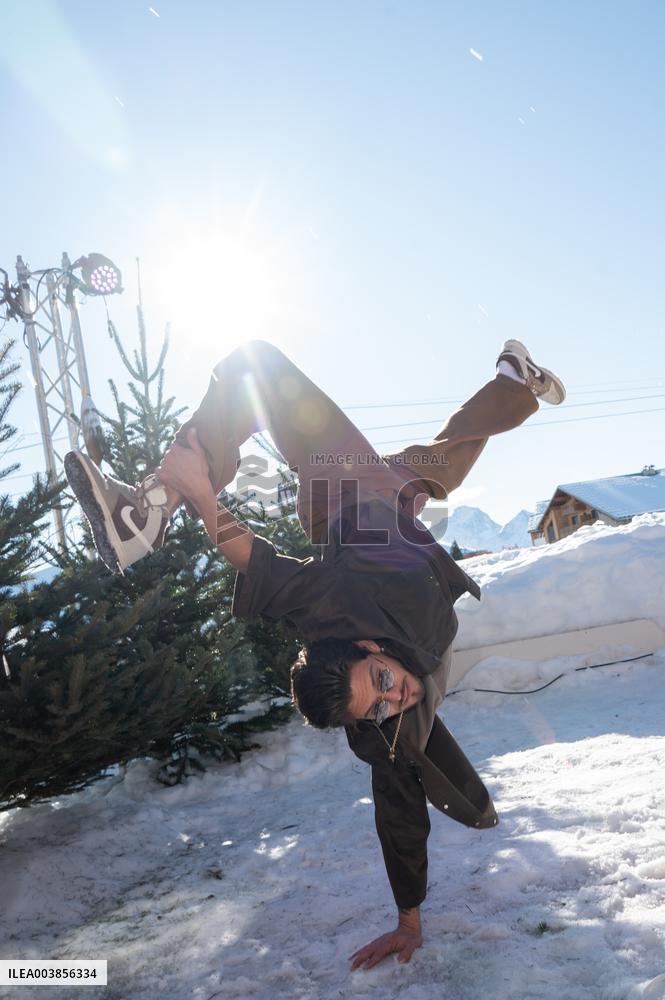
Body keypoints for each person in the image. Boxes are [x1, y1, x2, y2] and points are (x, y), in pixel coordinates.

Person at [64, 338, 565, 970]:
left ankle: (151, 508)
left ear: (363, 645)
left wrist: (202, 499)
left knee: (256, 367)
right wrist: (409, 921)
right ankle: (515, 382)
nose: (396, 695)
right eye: (383, 702)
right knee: (442, 464)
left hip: (345, 492)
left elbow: (266, 569)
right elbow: (400, 813)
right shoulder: (384, 724)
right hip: (389, 515)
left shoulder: (342, 605)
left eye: (380, 679)